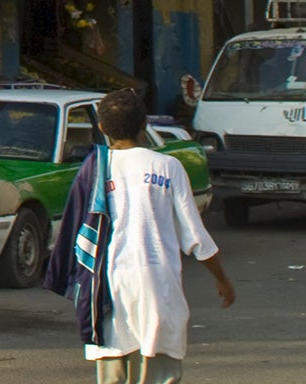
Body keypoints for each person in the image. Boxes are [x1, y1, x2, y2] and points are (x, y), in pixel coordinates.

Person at [45, 88, 234, 382]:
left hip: (108, 289)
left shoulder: (95, 169)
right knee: (160, 374)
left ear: (102, 128)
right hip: (158, 289)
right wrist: (222, 280)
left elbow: (75, 231)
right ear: (145, 124)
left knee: (113, 376)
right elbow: (196, 238)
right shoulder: (167, 166)